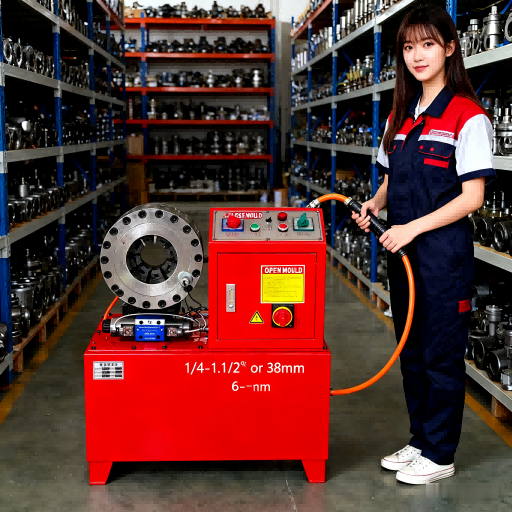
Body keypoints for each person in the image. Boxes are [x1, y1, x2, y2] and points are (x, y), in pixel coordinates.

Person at [352, 5, 496, 485]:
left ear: (450, 48)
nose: (417, 55)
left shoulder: (468, 116)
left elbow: (472, 197)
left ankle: (440, 452)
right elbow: (392, 178)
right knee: (412, 353)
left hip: (442, 259)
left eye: (428, 44)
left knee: (440, 356)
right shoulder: (399, 115)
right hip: (403, 256)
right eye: (409, 46)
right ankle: (420, 441)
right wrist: (375, 204)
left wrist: (412, 228)